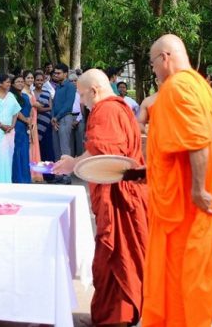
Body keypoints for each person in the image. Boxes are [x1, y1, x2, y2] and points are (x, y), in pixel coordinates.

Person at [142, 34, 212, 325]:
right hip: (180, 191)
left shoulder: (179, 86)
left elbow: (198, 141)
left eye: (152, 63)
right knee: (186, 270)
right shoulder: (199, 84)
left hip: (184, 201)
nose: (153, 69)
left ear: (165, 57)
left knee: (183, 272)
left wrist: (198, 189)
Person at [51, 69, 149, 326]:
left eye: (82, 96)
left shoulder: (106, 110)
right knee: (113, 256)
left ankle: (116, 318)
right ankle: (111, 315)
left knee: (115, 255)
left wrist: (73, 163)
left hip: (117, 194)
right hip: (121, 189)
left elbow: (103, 153)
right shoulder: (121, 107)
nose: (82, 102)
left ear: (94, 91)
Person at [50, 64, 79, 183]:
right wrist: (53, 117)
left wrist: (56, 117)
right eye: (55, 73)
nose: (56, 75)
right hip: (56, 119)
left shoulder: (70, 86)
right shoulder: (58, 87)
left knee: (65, 147)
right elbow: (54, 104)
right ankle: (58, 175)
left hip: (65, 118)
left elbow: (68, 104)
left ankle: (66, 176)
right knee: (56, 148)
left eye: (58, 73)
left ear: (65, 74)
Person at [11, 73, 36, 183]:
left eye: (22, 81)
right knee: (17, 151)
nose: (20, 83)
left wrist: (30, 120)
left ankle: (26, 178)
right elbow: (16, 111)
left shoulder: (25, 96)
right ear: (13, 84)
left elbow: (30, 109)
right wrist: (26, 120)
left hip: (26, 125)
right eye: (18, 82)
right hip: (17, 125)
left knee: (25, 151)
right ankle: (18, 177)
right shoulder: (12, 96)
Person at [34, 70, 56, 178]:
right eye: (37, 80)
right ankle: (39, 174)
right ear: (34, 81)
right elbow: (34, 109)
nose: (39, 82)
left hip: (46, 124)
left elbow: (51, 108)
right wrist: (43, 109)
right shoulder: (31, 93)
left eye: (41, 80)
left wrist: (40, 109)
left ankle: (49, 175)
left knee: (48, 149)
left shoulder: (47, 93)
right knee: (38, 150)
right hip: (34, 124)